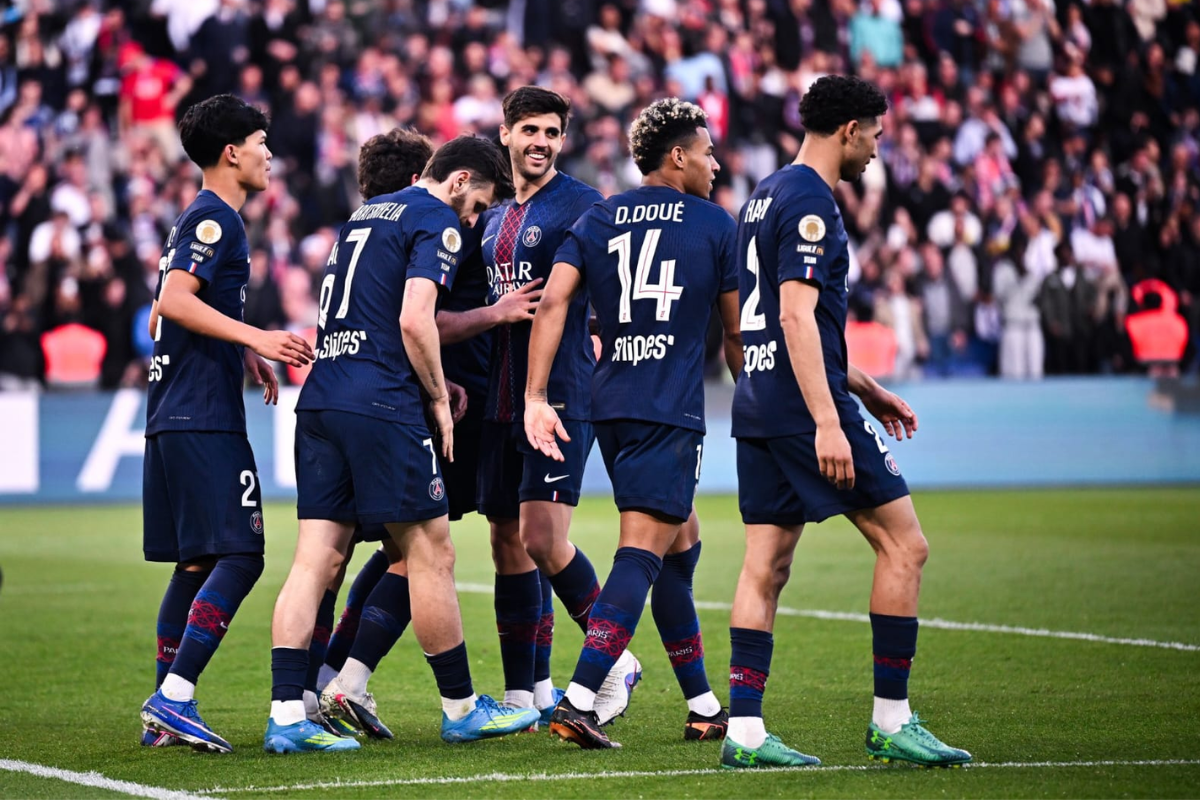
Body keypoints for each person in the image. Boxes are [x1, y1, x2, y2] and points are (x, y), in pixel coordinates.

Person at [723, 74, 972, 769]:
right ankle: (892, 720)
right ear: (849, 130)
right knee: (905, 546)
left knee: (765, 565)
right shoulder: (811, 200)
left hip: (760, 401)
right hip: (804, 408)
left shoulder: (763, 194)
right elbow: (796, 316)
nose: (876, 150)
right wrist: (831, 419)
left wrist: (865, 386)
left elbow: (769, 323)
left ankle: (745, 734)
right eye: (876, 136)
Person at [264, 134, 541, 753]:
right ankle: (462, 708)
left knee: (316, 560)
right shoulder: (435, 218)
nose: (472, 222)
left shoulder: (363, 215)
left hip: (323, 396)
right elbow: (415, 319)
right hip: (381, 403)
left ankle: (287, 715)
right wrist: (438, 396)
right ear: (460, 180)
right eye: (477, 207)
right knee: (430, 551)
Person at [525, 98, 743, 749]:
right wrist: (761, 403)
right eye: (706, 153)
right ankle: (580, 700)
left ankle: (703, 706)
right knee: (643, 551)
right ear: (677, 157)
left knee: (680, 546)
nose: (715, 164)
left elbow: (553, 303)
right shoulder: (715, 224)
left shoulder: (599, 216)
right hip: (667, 408)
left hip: (610, 404)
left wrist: (537, 394)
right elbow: (735, 334)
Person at [139, 94, 315, 753]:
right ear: (232, 152)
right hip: (203, 416)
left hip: (172, 411)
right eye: (262, 143)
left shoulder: (194, 217)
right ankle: (174, 696)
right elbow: (173, 301)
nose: (270, 154)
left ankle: (164, 714)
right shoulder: (218, 219)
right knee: (241, 555)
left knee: (196, 563)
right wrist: (257, 336)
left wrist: (240, 351)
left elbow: (164, 312)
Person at [476, 86, 637, 726]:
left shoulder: (583, 204)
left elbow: (610, 287)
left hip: (560, 393)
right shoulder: (493, 216)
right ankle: (526, 694)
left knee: (543, 537)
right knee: (507, 543)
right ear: (506, 133)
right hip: (498, 397)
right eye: (529, 130)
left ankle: (614, 660)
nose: (541, 142)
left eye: (551, 132)